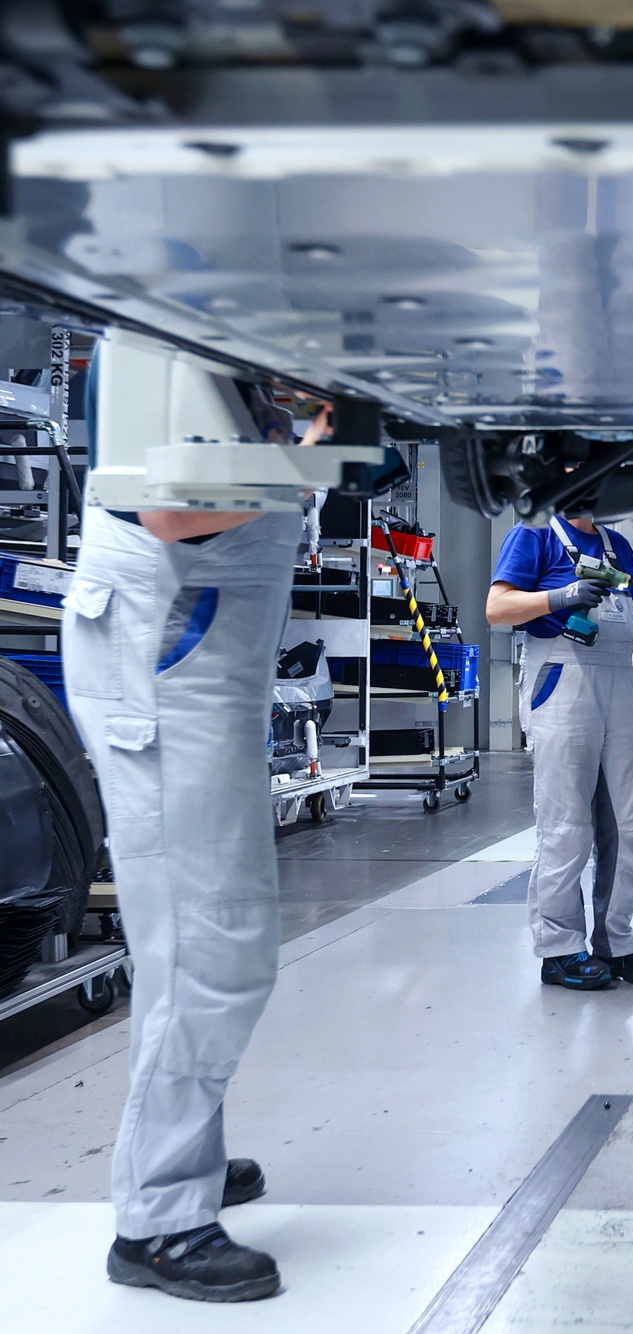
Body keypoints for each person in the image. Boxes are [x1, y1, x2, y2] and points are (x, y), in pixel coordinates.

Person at [65, 387, 306, 1302]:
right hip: (169, 663)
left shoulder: (209, 321)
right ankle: (159, 1218)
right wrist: (322, 453)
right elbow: (171, 507)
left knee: (195, 942)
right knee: (216, 944)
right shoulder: (163, 321)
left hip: (197, 662)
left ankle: (181, 1155)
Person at [489, 512, 633, 991]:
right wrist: (561, 596)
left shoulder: (618, 545)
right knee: (567, 821)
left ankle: (615, 940)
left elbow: (625, 614)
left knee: (630, 820)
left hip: (619, 676)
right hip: (561, 673)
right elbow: (497, 607)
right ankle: (558, 948)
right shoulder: (533, 534)